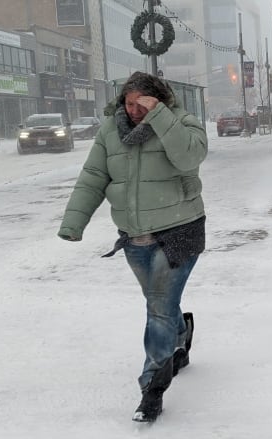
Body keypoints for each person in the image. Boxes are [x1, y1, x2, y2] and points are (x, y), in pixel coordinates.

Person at [58, 71, 208, 423]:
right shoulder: (111, 130)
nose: (135, 110)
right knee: (159, 303)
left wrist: (161, 117)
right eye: (129, 103)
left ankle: (151, 388)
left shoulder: (182, 122)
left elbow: (190, 157)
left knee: (158, 307)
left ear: (158, 100)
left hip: (179, 231)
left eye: (143, 103)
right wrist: (73, 223)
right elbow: (93, 177)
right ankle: (180, 336)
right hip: (134, 237)